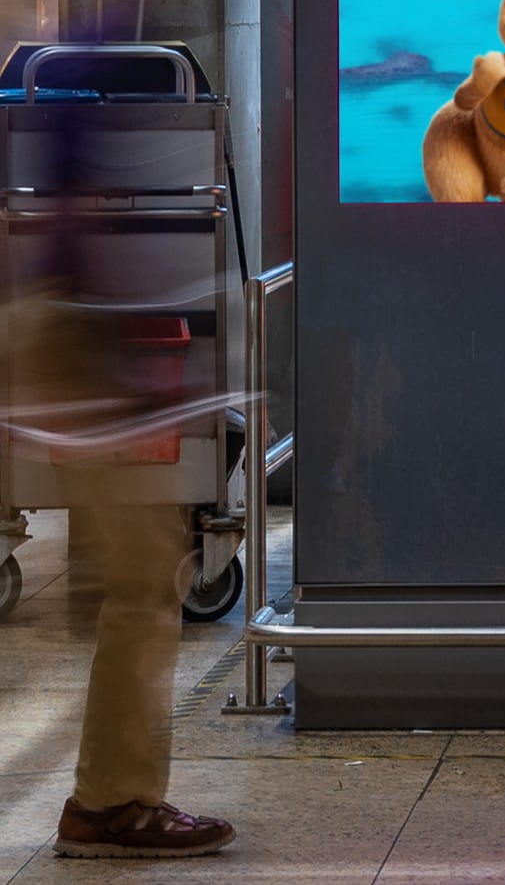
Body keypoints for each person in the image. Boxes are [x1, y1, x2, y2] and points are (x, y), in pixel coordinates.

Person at [8, 94, 238, 859]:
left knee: (142, 578)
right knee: (143, 580)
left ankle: (111, 797)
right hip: (68, 330)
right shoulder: (83, 68)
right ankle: (110, 803)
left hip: (61, 323)